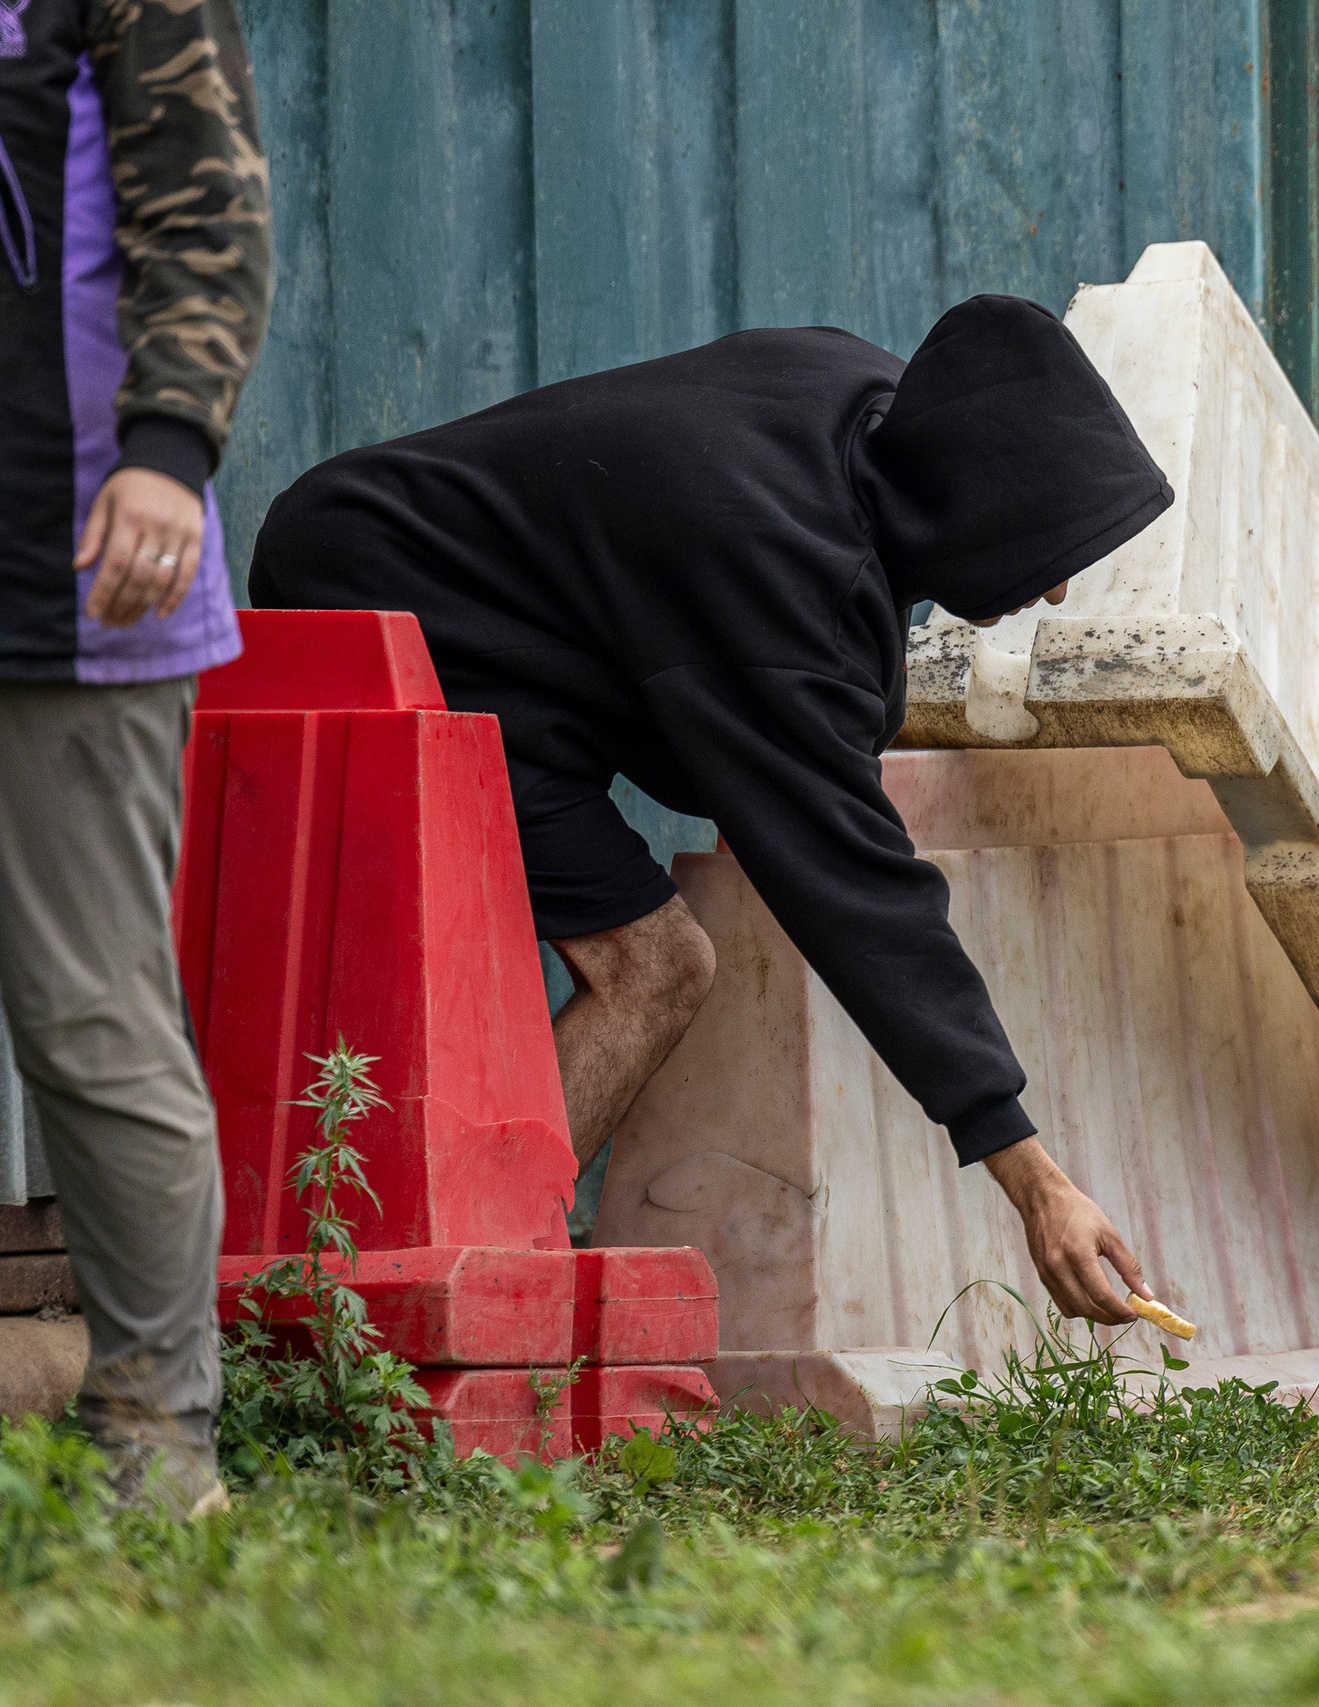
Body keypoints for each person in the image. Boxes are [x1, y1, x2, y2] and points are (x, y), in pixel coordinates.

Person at [250, 298, 1176, 1327]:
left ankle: (472, 1269)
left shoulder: (866, 405)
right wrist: (1034, 1179)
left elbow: (791, 681)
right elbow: (863, 895)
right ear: (975, 498)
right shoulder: (775, 557)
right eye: (1043, 544)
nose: (1051, 589)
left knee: (666, 946)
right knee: (654, 967)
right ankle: (459, 1302)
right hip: (382, 608)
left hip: (459, 606)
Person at [0, 0, 271, 1513]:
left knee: (90, 1015)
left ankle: (158, 1443)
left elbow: (208, 195)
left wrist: (171, 447)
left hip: (73, 559)